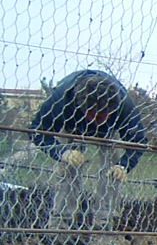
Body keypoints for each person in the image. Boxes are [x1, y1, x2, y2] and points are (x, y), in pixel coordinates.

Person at [29, 69, 148, 229]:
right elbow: (37, 131)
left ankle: (104, 223)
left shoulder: (124, 105)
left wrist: (124, 165)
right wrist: (62, 152)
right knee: (68, 169)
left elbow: (138, 141)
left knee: (113, 171)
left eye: (103, 115)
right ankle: (60, 223)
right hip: (73, 127)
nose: (98, 121)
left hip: (108, 132)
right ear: (81, 106)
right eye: (94, 115)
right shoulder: (61, 99)